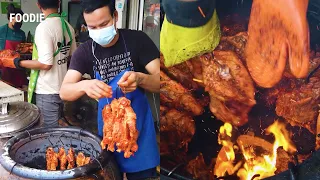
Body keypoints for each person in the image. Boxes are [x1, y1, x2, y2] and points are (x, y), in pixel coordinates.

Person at [59, 0, 160, 179]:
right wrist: (84, 85)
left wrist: (141, 78)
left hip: (139, 131)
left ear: (115, 16)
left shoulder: (138, 40)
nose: (98, 31)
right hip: (109, 133)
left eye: (104, 24)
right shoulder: (84, 52)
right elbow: (64, 91)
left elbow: (162, 83)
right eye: (92, 27)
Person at [2, 0, 77, 127]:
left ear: (38, 5)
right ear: (59, 3)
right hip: (63, 88)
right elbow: (72, 57)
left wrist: (17, 62)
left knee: (48, 131)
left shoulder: (44, 27)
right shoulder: (68, 26)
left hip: (47, 91)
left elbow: (45, 64)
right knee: (57, 127)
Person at [0, 4, 27, 88]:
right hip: (4, 68)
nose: (20, 22)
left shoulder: (22, 33)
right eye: (18, 19)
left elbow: (23, 50)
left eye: (21, 20)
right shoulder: (2, 30)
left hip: (17, 67)